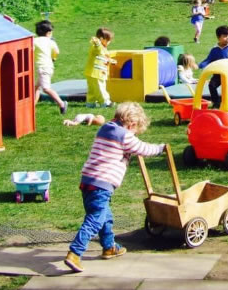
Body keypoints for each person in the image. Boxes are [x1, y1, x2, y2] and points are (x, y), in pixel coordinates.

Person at [64, 102, 166, 273]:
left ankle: (109, 246)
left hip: (88, 181)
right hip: (101, 185)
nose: (134, 134)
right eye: (135, 130)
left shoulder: (105, 128)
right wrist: (160, 148)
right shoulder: (124, 135)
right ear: (132, 124)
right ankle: (75, 252)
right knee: (95, 218)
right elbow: (142, 148)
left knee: (105, 216)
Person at [33, 20, 68, 114]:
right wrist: (53, 58)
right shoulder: (51, 41)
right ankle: (32, 107)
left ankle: (61, 104)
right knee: (36, 88)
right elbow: (57, 52)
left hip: (42, 68)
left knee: (46, 89)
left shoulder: (34, 41)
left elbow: (30, 51)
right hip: (48, 67)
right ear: (48, 33)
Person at [84, 28, 116, 108]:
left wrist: (111, 61)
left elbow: (104, 57)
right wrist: (97, 43)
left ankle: (90, 103)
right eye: (108, 40)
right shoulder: (97, 46)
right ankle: (105, 102)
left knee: (92, 89)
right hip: (96, 73)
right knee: (100, 88)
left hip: (92, 73)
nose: (109, 42)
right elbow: (97, 50)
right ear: (102, 39)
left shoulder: (103, 48)